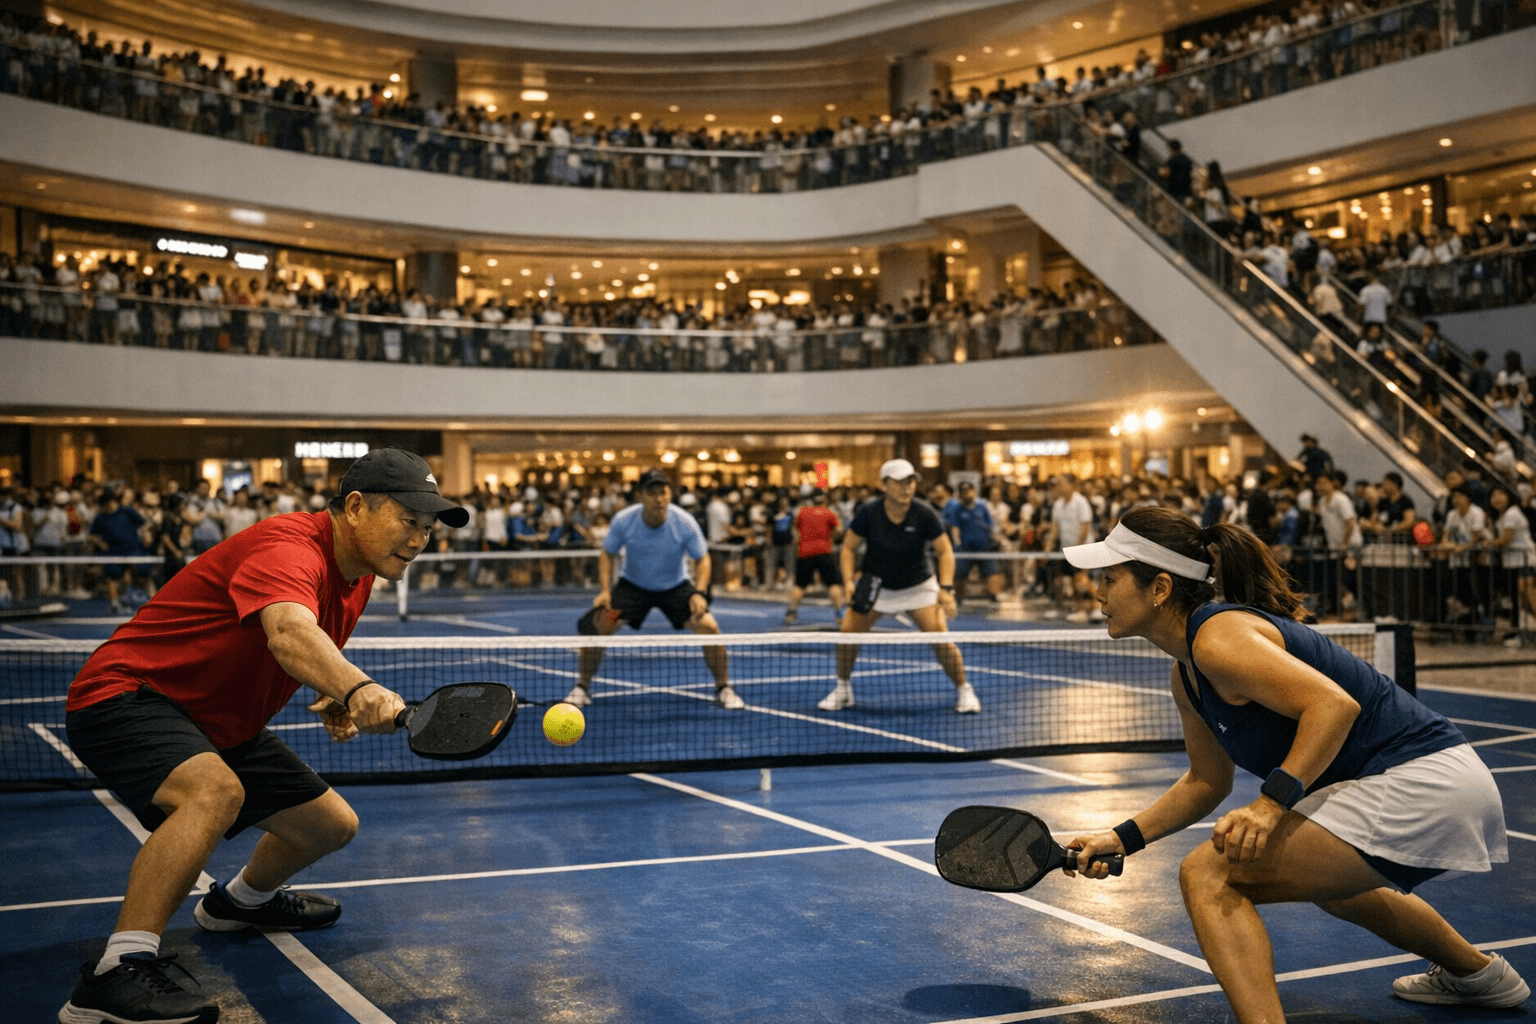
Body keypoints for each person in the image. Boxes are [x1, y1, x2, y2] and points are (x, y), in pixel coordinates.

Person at [1059, 506, 1525, 1020]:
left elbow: (1333, 706)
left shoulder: (1217, 638)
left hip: (1422, 778)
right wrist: (1121, 837)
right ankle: (1481, 976)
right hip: (1428, 778)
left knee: (1209, 874)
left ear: (1160, 588)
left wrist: (1269, 805)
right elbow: (1206, 782)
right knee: (1340, 892)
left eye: (1109, 578)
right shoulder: (1188, 674)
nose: (1097, 593)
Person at [58, 448, 470, 1024]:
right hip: (127, 695)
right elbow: (287, 632)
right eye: (410, 521)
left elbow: (300, 650)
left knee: (330, 825)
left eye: (428, 527)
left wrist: (330, 694)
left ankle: (237, 905)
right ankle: (113, 974)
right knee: (213, 793)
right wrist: (358, 689)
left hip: (218, 720)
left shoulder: (357, 577)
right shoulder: (287, 547)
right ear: (355, 507)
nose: (421, 539)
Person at [565, 468, 742, 710]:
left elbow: (703, 558)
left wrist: (699, 593)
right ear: (640, 496)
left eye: (663, 492)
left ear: (670, 494)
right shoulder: (624, 520)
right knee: (600, 626)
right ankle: (582, 687)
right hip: (633, 588)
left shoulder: (684, 522)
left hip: (676, 587)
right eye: (652, 493)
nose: (658, 498)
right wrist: (605, 590)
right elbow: (607, 553)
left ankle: (723, 687)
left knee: (709, 626)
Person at [818, 458, 977, 713]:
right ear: (885, 485)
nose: (908, 487)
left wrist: (946, 589)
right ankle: (843, 689)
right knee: (847, 635)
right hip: (876, 586)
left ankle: (964, 689)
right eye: (901, 482)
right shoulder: (869, 513)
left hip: (918, 586)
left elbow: (945, 551)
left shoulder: (924, 512)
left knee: (941, 640)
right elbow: (848, 548)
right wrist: (848, 581)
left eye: (911, 481)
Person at [783, 487, 846, 625]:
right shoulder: (830, 513)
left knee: (799, 584)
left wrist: (799, 539)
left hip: (805, 552)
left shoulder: (802, 512)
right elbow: (840, 531)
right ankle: (839, 614)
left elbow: (794, 528)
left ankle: (791, 613)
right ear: (824, 498)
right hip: (824, 552)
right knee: (833, 583)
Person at [945, 479, 1005, 605]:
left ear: (974, 491)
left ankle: (993, 598)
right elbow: (954, 528)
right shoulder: (957, 509)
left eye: (969, 491)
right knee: (959, 575)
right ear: (960, 494)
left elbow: (991, 526)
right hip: (965, 549)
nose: (968, 494)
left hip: (984, 548)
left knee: (993, 573)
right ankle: (958, 599)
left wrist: (996, 538)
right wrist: (957, 545)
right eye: (964, 492)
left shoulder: (982, 507)